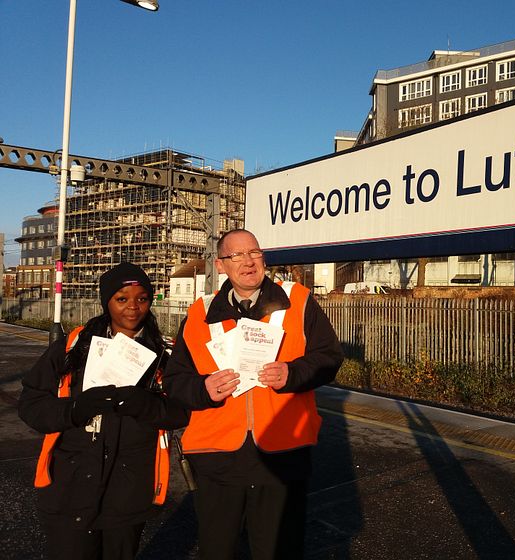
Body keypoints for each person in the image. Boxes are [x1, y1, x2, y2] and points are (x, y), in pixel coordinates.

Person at [163, 229, 344, 560]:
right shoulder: (199, 313)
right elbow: (175, 380)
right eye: (236, 255)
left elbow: (329, 357)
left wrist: (293, 373)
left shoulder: (299, 300)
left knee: (278, 550)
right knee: (217, 550)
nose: (247, 261)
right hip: (217, 455)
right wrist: (204, 389)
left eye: (254, 253)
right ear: (220, 266)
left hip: (282, 454)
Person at [18, 262, 189, 560]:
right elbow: (31, 404)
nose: (133, 307)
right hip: (69, 484)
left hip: (127, 490)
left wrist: (145, 404)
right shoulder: (72, 347)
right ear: (106, 301)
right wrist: (74, 408)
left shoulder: (164, 354)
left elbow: (181, 412)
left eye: (142, 298)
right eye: (121, 298)